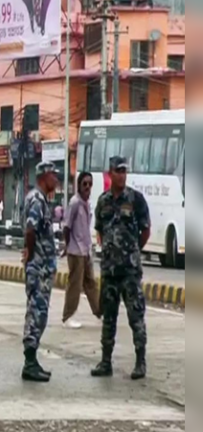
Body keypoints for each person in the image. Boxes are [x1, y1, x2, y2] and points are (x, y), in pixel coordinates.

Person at [91, 156, 150, 380]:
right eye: (118, 171)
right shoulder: (103, 201)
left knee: (136, 317)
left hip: (130, 272)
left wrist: (132, 251)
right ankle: (106, 362)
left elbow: (145, 231)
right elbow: (100, 230)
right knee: (109, 317)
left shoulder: (136, 199)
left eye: (124, 171)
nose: (122, 175)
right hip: (110, 271)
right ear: (110, 173)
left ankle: (140, 362)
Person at [21, 161, 60, 382]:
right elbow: (30, 230)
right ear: (43, 176)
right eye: (53, 175)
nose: (56, 179)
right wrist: (32, 254)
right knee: (37, 312)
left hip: (41, 266)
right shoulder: (36, 200)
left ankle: (32, 360)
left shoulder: (41, 200)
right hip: (39, 267)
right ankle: (29, 361)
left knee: (39, 312)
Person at [61, 171, 101, 330]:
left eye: (90, 184)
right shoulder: (75, 203)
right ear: (79, 185)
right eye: (84, 184)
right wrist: (67, 246)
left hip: (85, 249)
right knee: (75, 285)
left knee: (91, 282)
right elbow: (67, 227)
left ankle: (99, 312)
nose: (87, 187)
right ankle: (68, 315)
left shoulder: (87, 203)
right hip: (75, 250)